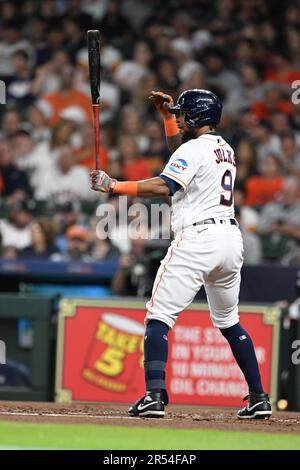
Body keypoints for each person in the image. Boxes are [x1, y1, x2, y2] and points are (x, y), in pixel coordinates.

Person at [90, 89, 272, 420]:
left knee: (158, 316)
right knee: (229, 321)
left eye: (183, 113)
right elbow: (181, 158)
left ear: (198, 117)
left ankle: (154, 396)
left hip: (198, 237)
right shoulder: (224, 148)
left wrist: (114, 186)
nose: (180, 118)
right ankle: (259, 397)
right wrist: (166, 119)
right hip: (230, 238)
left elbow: (166, 185)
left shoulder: (196, 148)